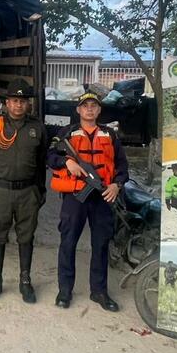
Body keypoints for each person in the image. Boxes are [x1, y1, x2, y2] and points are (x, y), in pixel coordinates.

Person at [47, 91, 128, 311]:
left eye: (94, 105)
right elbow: (50, 157)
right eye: (85, 106)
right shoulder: (67, 133)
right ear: (78, 110)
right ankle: (64, 290)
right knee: (68, 243)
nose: (89, 109)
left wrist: (116, 185)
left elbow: (122, 167)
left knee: (100, 245)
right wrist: (66, 163)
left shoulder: (110, 135)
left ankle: (99, 292)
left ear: (99, 110)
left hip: (103, 196)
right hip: (75, 197)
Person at [0, 78, 47, 304]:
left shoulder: (37, 127)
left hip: (28, 191)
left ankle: (25, 281)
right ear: (7, 102)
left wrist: (40, 190)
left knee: (26, 237)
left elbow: (41, 160)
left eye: (23, 101)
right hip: (2, 192)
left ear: (29, 104)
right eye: (14, 101)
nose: (18, 105)